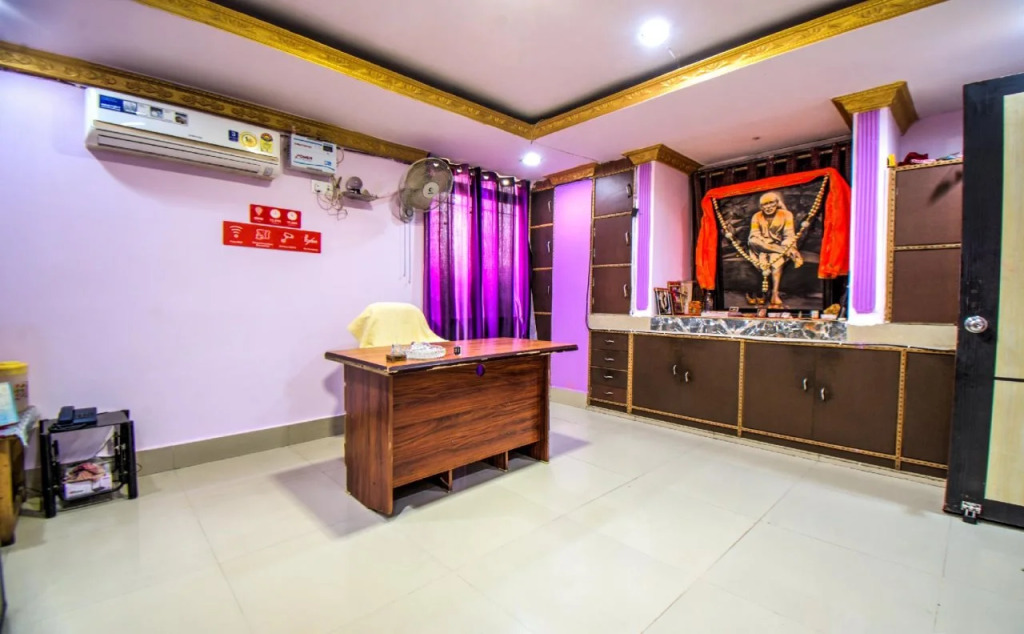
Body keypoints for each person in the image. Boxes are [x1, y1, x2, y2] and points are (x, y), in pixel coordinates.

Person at [747, 191, 804, 307]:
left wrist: (787, 246)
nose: (768, 207)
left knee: (776, 259)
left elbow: (789, 235)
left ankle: (775, 293)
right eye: (765, 204)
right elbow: (754, 235)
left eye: (771, 203)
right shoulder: (756, 216)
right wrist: (767, 243)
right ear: (761, 207)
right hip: (760, 246)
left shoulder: (786, 214)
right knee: (753, 241)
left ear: (777, 203)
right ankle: (785, 252)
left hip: (779, 245)